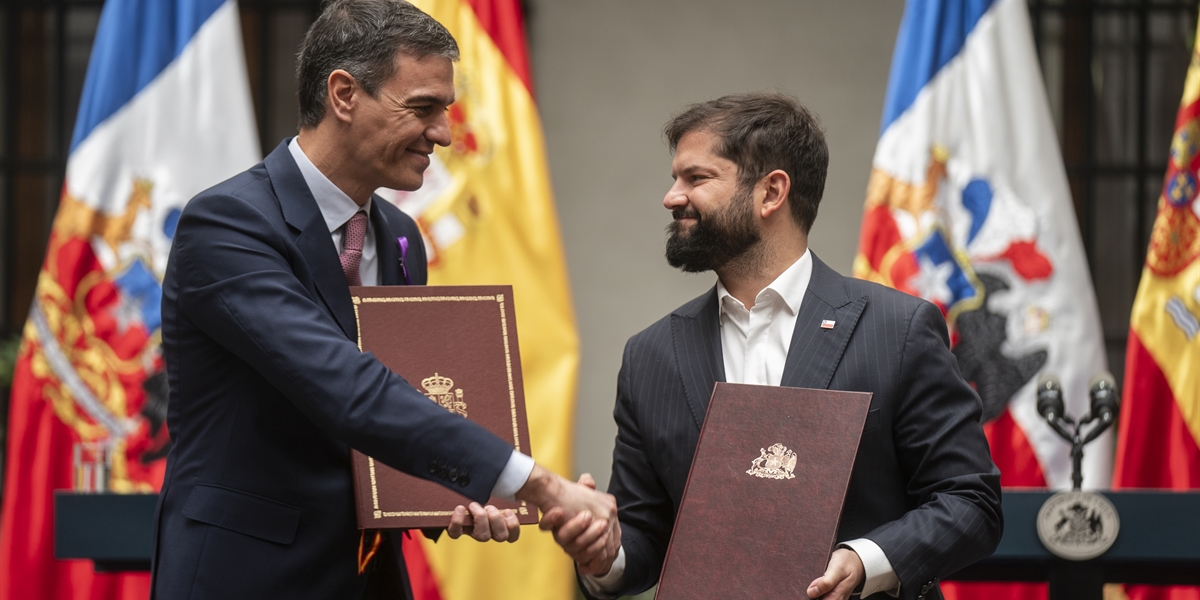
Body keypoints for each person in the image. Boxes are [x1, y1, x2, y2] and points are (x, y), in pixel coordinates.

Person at [150, 2, 616, 599]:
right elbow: (346, 387)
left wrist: (453, 498)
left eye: (445, 110)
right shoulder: (228, 225)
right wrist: (539, 486)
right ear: (343, 94)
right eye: (422, 108)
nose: (444, 134)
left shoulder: (401, 238)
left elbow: (392, 415)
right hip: (245, 575)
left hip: (368, 578)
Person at [544, 93, 1002, 600]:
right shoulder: (650, 357)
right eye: (676, 178)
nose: (672, 197)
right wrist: (602, 553)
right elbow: (644, 538)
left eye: (696, 178)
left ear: (771, 192)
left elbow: (970, 501)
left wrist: (865, 560)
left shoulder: (897, 330)